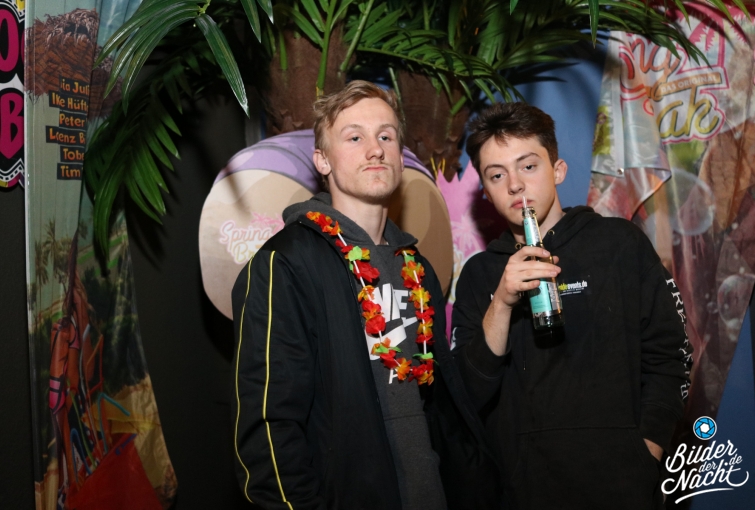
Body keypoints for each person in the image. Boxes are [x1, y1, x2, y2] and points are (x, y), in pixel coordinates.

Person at [232, 80, 499, 510]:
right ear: (322, 160)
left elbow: (441, 408)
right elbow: (268, 427)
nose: (375, 150)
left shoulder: (417, 268)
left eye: (386, 136)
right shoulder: (286, 263)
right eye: (354, 138)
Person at [451, 102, 692, 510]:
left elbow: (671, 355)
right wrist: (503, 302)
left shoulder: (619, 244)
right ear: (486, 193)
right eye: (497, 175)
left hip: (620, 489)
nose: (515, 185)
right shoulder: (479, 274)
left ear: (558, 170)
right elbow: (466, 395)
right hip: (521, 493)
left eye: (528, 166)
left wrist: (646, 454)